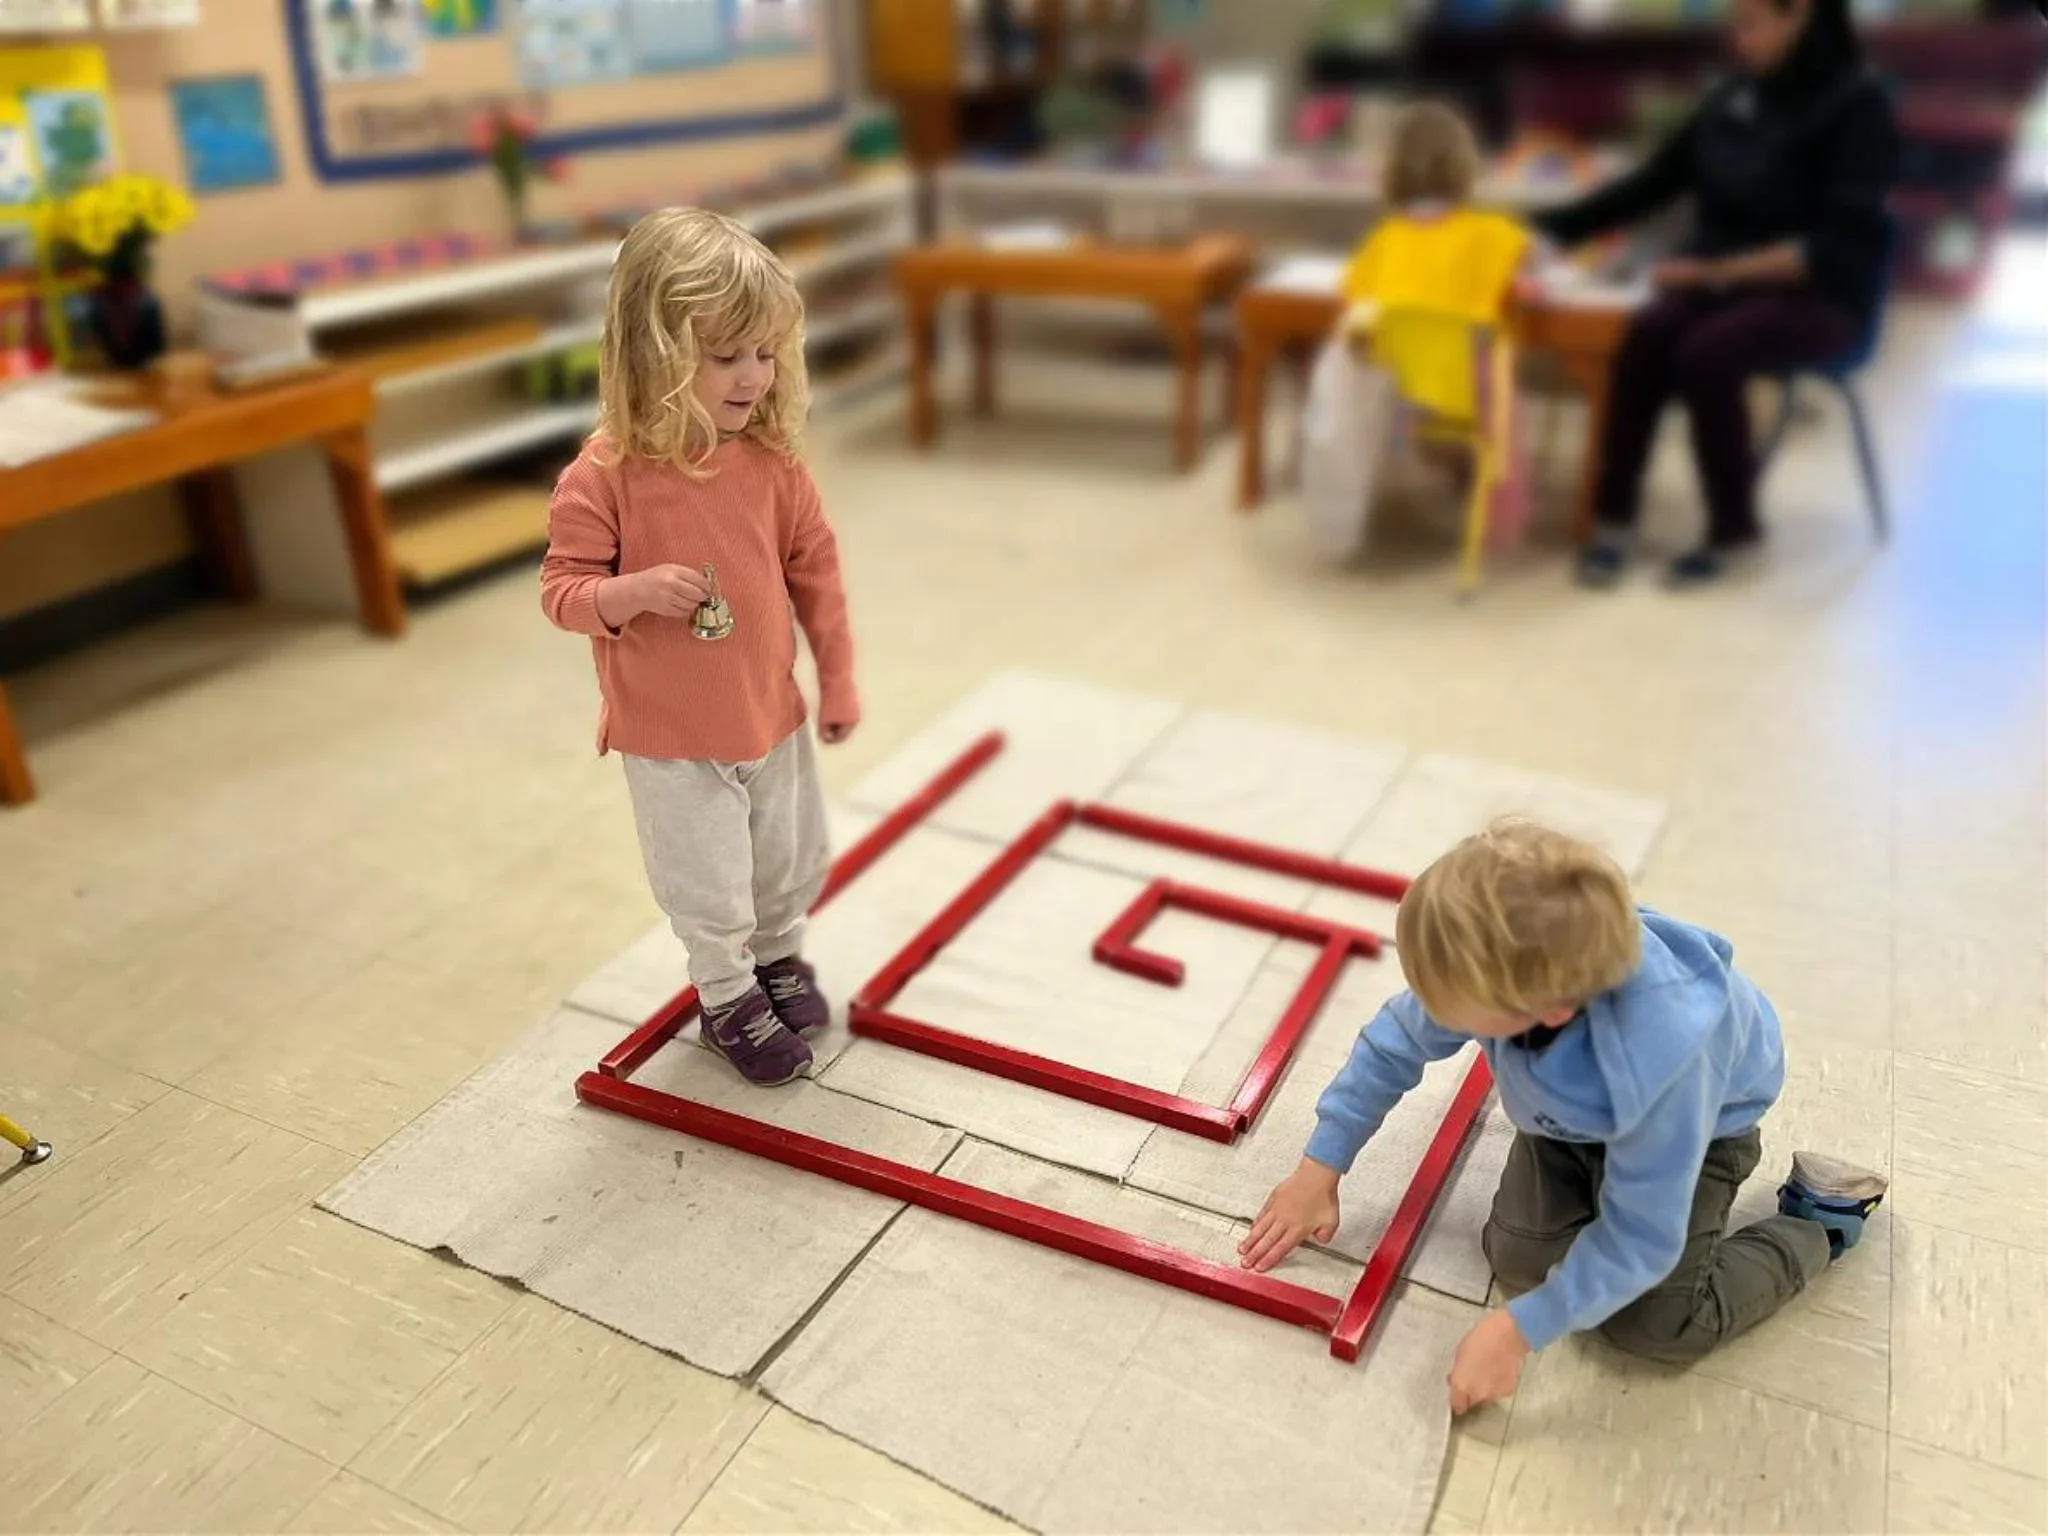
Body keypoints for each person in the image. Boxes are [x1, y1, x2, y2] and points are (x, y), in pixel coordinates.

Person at [1238, 819, 1887, 1415]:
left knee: (1655, 1326)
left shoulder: (1660, 1060)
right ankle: (1590, 1205)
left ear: (1543, 1012)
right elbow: (1392, 1045)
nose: (1440, 1017)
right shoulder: (1513, 966)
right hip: (1568, 1111)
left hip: (1701, 1128)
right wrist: (1319, 1168)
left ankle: (1817, 1226)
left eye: (1461, 1015)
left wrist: (1518, 1333)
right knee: (1517, 1258)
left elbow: (1643, 1237)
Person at [541, 208, 858, 1087]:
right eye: (726, 357)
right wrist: (627, 595)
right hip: (672, 734)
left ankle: (777, 956)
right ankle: (725, 995)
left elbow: (816, 572)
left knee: (786, 857)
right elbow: (560, 593)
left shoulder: (771, 461)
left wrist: (837, 680)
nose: (753, 377)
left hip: (769, 711)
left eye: (765, 353)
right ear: (654, 353)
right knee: (707, 878)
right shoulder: (601, 477)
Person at [1533, 0, 1899, 588]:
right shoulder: (1733, 98)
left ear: (1798, 15)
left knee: (1708, 350)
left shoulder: (1859, 106)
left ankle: (1735, 533)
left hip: (1822, 298)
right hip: (1721, 282)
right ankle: (1613, 520)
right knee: (1647, 332)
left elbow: (1834, 248)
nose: (1737, 40)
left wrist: (1712, 274)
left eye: (1750, 24)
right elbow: (1653, 182)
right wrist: (1548, 229)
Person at [1301, 101, 1534, 562]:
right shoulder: (1494, 234)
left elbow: (1354, 306)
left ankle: (1413, 478)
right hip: (1467, 392)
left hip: (1397, 392)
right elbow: (1528, 280)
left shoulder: (1383, 241)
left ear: (1392, 172)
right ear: (1465, 168)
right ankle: (1473, 490)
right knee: (1504, 377)